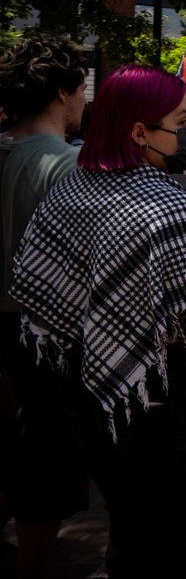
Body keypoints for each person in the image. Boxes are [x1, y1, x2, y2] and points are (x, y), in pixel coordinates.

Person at [12, 65, 186, 578]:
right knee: (170, 548)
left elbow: (44, 299)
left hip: (86, 398)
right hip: (172, 410)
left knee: (132, 532)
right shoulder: (174, 208)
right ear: (139, 131)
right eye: (182, 119)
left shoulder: (69, 191)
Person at [0, 34, 90, 578]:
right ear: (62, 92)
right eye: (82, 90)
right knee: (46, 460)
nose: (84, 101)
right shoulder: (67, 168)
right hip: (43, 336)